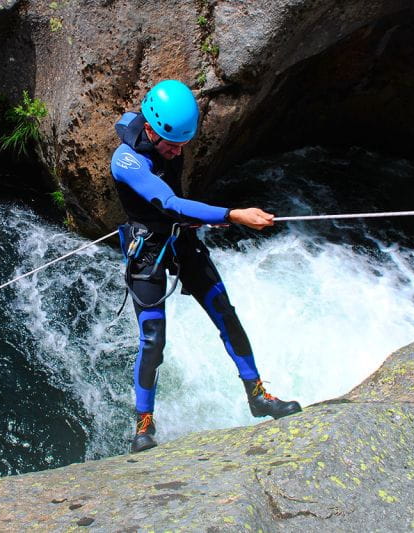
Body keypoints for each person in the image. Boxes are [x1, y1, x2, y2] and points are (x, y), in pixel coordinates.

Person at [111, 80, 301, 453]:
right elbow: (168, 202)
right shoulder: (126, 159)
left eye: (183, 144)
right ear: (150, 127)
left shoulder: (170, 136)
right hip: (147, 251)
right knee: (153, 341)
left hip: (180, 240)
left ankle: (258, 396)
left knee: (226, 315)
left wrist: (204, 220)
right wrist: (232, 215)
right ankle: (143, 425)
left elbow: (177, 207)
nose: (177, 151)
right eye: (171, 144)